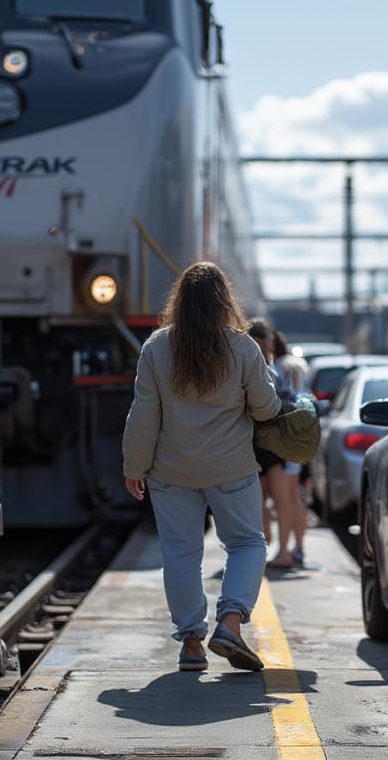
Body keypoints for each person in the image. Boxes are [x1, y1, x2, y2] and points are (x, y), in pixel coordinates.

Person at [122, 262, 281, 672]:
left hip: (171, 472)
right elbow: (266, 408)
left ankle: (191, 643)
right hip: (231, 469)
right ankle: (230, 622)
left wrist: (133, 467)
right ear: (223, 301)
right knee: (247, 544)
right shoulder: (243, 347)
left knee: (180, 554)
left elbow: (142, 415)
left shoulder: (156, 348)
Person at [247, 318, 299, 570]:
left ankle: (282, 551)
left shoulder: (277, 370)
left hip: (267, 443)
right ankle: (277, 549)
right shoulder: (277, 369)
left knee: (275, 499)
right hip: (267, 443)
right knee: (273, 500)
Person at [271, 330, 308, 568]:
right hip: (302, 432)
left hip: (285, 434)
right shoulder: (297, 365)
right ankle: (299, 548)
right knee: (296, 496)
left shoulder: (277, 367)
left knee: (285, 498)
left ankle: (285, 551)